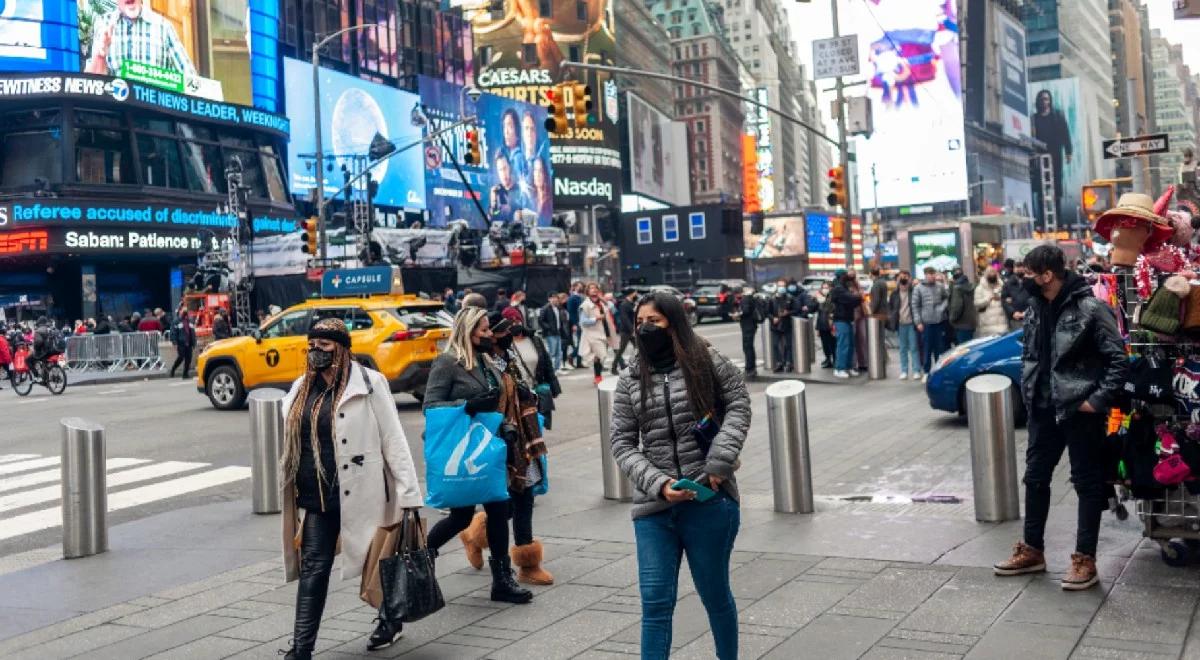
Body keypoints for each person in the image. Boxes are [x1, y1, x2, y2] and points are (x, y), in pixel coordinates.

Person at [609, 291, 751, 660]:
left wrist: (719, 461)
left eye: (653, 321)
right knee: (655, 603)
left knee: (715, 595)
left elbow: (738, 401)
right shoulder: (629, 378)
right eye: (639, 322)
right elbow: (622, 443)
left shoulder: (704, 360)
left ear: (673, 321)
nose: (645, 329)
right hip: (654, 509)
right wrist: (658, 484)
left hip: (708, 499)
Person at [279, 318, 422, 659]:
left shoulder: (371, 384)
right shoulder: (302, 387)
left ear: (341, 349)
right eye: (311, 345)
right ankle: (301, 649)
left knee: (379, 561)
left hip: (364, 491)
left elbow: (394, 440)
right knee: (314, 569)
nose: (316, 351)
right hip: (318, 496)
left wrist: (409, 494)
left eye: (324, 345)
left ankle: (390, 621)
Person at [993, 245, 1127, 591]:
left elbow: (1118, 360)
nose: (1023, 279)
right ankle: (1032, 549)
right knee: (1035, 477)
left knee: (1087, 483)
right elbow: (1031, 353)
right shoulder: (1036, 307)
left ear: (1047, 275)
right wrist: (1030, 389)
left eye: (1029, 274)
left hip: (1078, 411)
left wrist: (1095, 401)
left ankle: (1085, 559)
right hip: (1042, 408)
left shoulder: (1092, 308)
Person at [422, 308, 544, 601]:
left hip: (489, 446)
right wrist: (469, 404)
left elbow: (500, 402)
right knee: (461, 516)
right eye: (484, 331)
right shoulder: (447, 362)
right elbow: (431, 405)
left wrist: (508, 426)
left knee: (500, 509)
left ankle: (502, 581)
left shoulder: (487, 361)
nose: (490, 335)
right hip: (462, 450)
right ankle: (421, 558)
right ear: (468, 331)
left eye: (489, 330)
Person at [83, 0, 199, 79]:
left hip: (154, 113)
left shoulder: (164, 27)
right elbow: (92, 82)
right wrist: (100, 55)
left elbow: (191, 80)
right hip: (117, 113)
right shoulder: (103, 24)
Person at [509, 321, 561, 430]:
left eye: (517, 320)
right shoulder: (505, 344)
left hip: (537, 391)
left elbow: (547, 364)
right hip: (520, 395)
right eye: (511, 321)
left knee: (538, 427)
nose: (514, 324)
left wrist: (554, 386)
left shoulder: (534, 340)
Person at [1031, 89, 1072, 223]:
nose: (1045, 102)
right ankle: (1042, 219)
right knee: (1040, 187)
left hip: (1055, 155)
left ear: (1050, 101)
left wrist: (1068, 152)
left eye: (1047, 99)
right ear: (1038, 101)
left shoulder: (1057, 116)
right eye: (1042, 99)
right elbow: (1031, 137)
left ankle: (1058, 218)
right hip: (1040, 156)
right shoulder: (1034, 118)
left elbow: (1065, 134)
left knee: (1056, 187)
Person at [911, 266, 949, 382]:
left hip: (939, 321)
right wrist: (918, 322)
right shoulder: (918, 288)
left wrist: (941, 308)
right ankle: (927, 371)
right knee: (927, 348)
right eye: (929, 274)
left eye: (933, 273)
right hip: (926, 323)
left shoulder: (940, 286)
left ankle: (938, 371)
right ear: (925, 275)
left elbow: (947, 298)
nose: (931, 276)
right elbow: (915, 306)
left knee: (940, 348)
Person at [579, 283, 617, 384]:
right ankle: (598, 376)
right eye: (591, 288)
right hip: (593, 334)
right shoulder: (585, 305)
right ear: (587, 292)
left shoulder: (603, 303)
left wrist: (604, 300)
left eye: (595, 288)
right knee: (601, 355)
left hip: (605, 332)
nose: (594, 290)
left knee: (600, 356)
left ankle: (597, 376)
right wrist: (596, 318)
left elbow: (614, 310)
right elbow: (583, 321)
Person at [830, 271, 862, 378]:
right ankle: (840, 368)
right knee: (843, 344)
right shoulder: (838, 288)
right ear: (841, 277)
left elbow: (853, 301)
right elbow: (851, 299)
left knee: (850, 344)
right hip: (840, 320)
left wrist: (857, 298)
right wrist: (858, 297)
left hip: (847, 319)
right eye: (845, 275)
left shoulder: (843, 287)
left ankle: (848, 367)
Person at [888, 271, 919, 380]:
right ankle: (904, 370)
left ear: (909, 279)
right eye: (901, 279)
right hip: (900, 324)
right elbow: (891, 308)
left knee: (914, 347)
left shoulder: (914, 291)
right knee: (903, 349)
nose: (903, 281)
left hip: (912, 323)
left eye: (905, 278)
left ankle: (916, 370)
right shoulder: (894, 294)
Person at [538, 293, 569, 373]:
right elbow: (541, 320)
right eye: (553, 298)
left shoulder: (558, 308)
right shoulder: (545, 308)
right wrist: (548, 328)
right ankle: (551, 370)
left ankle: (557, 368)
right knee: (552, 352)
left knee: (559, 352)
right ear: (549, 299)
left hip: (558, 332)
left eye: (556, 298)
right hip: (550, 333)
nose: (555, 299)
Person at [974, 267, 1009, 337]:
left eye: (993, 272)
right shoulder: (980, 288)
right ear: (985, 275)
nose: (992, 274)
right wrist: (989, 298)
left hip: (1002, 324)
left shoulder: (1002, 286)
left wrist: (1003, 299)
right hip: (987, 326)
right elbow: (977, 303)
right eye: (990, 272)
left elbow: (1008, 299)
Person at [947, 267, 977, 345]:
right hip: (971, 322)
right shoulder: (970, 286)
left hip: (961, 324)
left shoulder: (957, 288)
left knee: (962, 350)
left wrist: (952, 319)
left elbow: (956, 307)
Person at [768, 280, 793, 372]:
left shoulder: (790, 298)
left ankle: (788, 362)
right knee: (775, 345)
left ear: (785, 287)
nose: (781, 288)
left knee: (788, 345)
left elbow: (796, 309)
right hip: (775, 325)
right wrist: (772, 318)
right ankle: (779, 363)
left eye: (783, 286)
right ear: (777, 287)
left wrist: (788, 313)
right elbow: (768, 312)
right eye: (779, 286)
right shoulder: (772, 298)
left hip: (786, 324)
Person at [737, 286, 763, 377]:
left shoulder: (746, 299)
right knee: (749, 347)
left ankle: (749, 368)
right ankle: (752, 368)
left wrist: (738, 314)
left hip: (747, 325)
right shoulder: (753, 298)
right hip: (752, 325)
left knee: (747, 347)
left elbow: (746, 311)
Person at [612, 288, 638, 375]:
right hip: (626, 331)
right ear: (631, 294)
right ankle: (614, 367)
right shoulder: (624, 304)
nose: (636, 294)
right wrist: (632, 330)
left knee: (638, 348)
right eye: (635, 293)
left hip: (631, 330)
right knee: (621, 350)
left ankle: (638, 365)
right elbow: (624, 318)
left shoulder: (631, 303)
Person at [168, 303, 196, 379]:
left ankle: (185, 374)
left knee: (188, 358)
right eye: (183, 310)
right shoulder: (176, 321)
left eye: (186, 311)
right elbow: (173, 332)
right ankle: (173, 370)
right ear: (180, 311)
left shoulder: (190, 321)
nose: (185, 312)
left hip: (189, 342)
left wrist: (194, 342)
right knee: (181, 357)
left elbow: (192, 332)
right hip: (181, 343)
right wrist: (174, 342)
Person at [1003, 262, 1032, 330]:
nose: (1019, 269)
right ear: (1013, 269)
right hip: (1015, 319)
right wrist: (1013, 312)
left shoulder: (1031, 281)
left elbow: (1035, 298)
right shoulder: (1008, 283)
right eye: (1017, 266)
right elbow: (1004, 300)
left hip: (1031, 317)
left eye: (1021, 266)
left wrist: (1028, 312)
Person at [815, 281, 836, 368]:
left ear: (831, 288)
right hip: (822, 325)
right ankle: (828, 359)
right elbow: (819, 314)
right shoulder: (821, 299)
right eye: (823, 287)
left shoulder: (833, 298)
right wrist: (817, 328)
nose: (824, 289)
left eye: (826, 287)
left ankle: (835, 360)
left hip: (830, 325)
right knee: (825, 344)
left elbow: (832, 311)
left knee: (833, 344)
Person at [567, 282, 584, 368]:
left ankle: (579, 362)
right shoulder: (572, 298)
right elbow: (571, 312)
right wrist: (574, 324)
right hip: (577, 323)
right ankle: (571, 356)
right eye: (578, 286)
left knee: (582, 343)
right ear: (574, 287)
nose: (580, 287)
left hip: (582, 322)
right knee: (581, 343)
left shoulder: (579, 297)